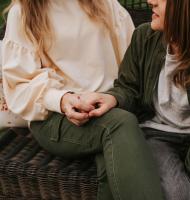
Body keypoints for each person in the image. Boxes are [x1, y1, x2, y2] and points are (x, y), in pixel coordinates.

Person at [1, 0, 164, 200]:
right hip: (54, 116)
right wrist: (62, 99)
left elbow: (132, 59)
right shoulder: (23, 12)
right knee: (119, 125)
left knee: (113, 163)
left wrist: (113, 97)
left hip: (108, 106)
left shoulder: (104, 3)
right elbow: (20, 85)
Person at [77, 0, 190, 200]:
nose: (150, 1)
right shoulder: (144, 37)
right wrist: (113, 98)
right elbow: (128, 87)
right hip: (158, 135)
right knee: (176, 193)